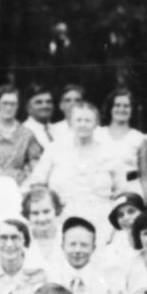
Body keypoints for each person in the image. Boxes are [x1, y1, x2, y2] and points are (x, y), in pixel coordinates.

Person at [28, 100, 121, 237]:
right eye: (78, 120)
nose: (83, 124)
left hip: (102, 223)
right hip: (61, 223)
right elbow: (37, 182)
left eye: (88, 120)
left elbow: (121, 191)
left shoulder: (109, 152)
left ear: (96, 124)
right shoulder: (56, 149)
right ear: (71, 122)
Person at [45, 217, 113, 294]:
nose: (77, 250)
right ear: (62, 246)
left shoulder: (102, 282)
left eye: (84, 245)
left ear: (93, 248)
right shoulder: (50, 279)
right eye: (72, 244)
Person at [0, 84, 43, 184]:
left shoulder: (26, 134)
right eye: (5, 103)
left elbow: (35, 163)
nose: (8, 108)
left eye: (13, 104)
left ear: (18, 105)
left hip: (18, 185)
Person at [97, 87, 145, 191]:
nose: (121, 109)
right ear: (110, 108)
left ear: (132, 109)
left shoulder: (139, 138)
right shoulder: (98, 134)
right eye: (117, 105)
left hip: (129, 190)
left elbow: (145, 177)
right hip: (101, 191)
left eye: (126, 106)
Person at [22, 85, 56, 149]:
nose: (45, 106)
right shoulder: (23, 132)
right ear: (28, 107)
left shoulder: (59, 130)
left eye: (49, 102)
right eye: (39, 102)